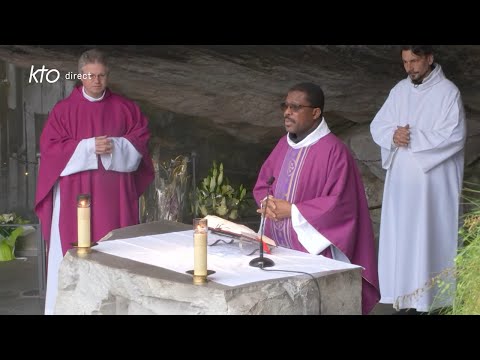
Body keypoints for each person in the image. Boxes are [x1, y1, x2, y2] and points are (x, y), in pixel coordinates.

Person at [35, 48, 155, 315]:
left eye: (101, 75)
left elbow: (141, 142)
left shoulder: (126, 108)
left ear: (108, 76)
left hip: (115, 200)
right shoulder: (63, 111)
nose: (96, 81)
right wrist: (88, 148)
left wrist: (117, 147)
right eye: (90, 75)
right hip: (74, 198)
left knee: (117, 251)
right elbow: (51, 150)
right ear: (81, 75)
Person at [253, 82, 380, 315]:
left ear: (315, 112)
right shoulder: (284, 144)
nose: (287, 112)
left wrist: (292, 210)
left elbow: (342, 205)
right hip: (277, 249)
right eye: (285, 105)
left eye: (295, 107)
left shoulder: (334, 151)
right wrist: (268, 204)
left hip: (315, 255)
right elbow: (264, 184)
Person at [370, 45, 466, 312]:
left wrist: (411, 138)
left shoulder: (448, 92)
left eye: (414, 61)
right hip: (401, 184)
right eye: (405, 62)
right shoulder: (400, 90)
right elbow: (378, 124)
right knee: (402, 237)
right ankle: (404, 296)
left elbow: (454, 135)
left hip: (432, 186)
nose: (409, 67)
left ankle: (432, 300)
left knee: (428, 237)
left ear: (429, 58)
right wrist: (393, 135)